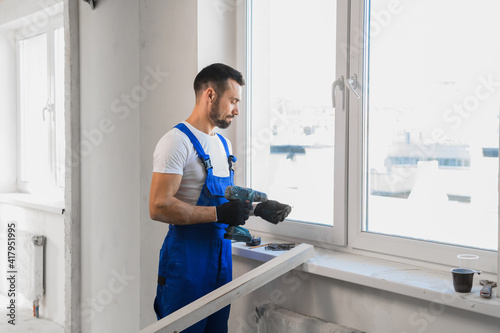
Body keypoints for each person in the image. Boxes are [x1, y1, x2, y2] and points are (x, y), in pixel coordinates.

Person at [149, 63, 291, 333]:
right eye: (233, 101)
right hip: (186, 259)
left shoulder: (223, 144)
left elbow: (225, 202)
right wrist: (218, 215)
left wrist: (257, 209)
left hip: (221, 257)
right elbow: (158, 206)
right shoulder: (176, 142)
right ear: (210, 95)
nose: (237, 110)